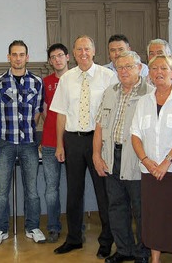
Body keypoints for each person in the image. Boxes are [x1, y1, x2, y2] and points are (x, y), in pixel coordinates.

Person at [50, 35, 116, 258]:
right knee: (74, 192)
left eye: (87, 49)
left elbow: (113, 112)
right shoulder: (67, 78)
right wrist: (60, 144)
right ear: (74, 53)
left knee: (103, 192)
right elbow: (60, 113)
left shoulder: (108, 76)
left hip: (98, 140)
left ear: (94, 51)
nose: (83, 53)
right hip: (73, 140)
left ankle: (107, 240)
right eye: (79, 50)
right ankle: (74, 238)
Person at [131, 55, 172, 263]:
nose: (158, 72)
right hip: (150, 170)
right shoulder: (144, 101)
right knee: (153, 217)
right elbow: (135, 134)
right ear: (148, 73)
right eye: (154, 69)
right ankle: (155, 259)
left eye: (163, 68)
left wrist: (166, 162)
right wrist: (146, 161)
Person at [92, 51, 152, 263]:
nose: (123, 71)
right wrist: (96, 155)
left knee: (141, 209)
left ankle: (142, 252)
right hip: (111, 157)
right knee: (116, 207)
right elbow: (99, 125)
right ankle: (124, 249)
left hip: (137, 159)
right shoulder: (110, 91)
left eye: (128, 66)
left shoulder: (150, 93)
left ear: (139, 67)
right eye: (119, 67)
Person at [0, 40, 45, 245]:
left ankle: (33, 227)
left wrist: (29, 128)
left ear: (27, 57)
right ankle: (0, 229)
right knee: (2, 190)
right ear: (9, 57)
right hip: (5, 142)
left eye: (22, 54)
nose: (18, 58)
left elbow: (38, 111)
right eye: (14, 54)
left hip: (29, 143)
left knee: (32, 190)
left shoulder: (36, 82)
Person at [40, 43, 69, 243]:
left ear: (68, 57)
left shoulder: (76, 79)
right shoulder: (45, 82)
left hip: (73, 142)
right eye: (53, 57)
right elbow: (43, 110)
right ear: (50, 61)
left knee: (75, 188)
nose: (57, 59)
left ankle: (78, 227)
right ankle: (53, 227)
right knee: (51, 188)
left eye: (60, 55)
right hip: (50, 142)